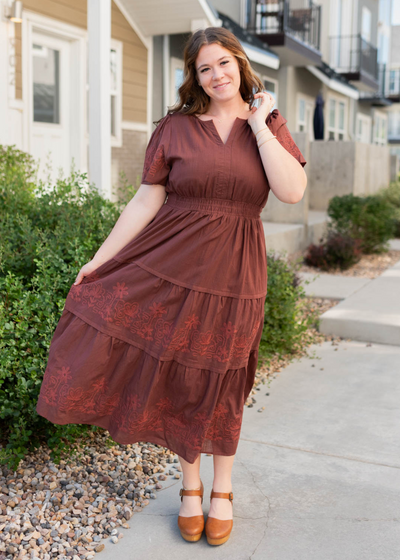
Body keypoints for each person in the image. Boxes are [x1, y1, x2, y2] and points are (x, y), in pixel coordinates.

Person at [36, 26, 307, 546]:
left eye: (224, 63)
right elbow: (145, 200)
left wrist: (259, 125)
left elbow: (291, 191)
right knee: (182, 375)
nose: (216, 75)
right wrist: (98, 260)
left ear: (240, 64)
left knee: (226, 376)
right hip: (172, 265)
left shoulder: (267, 122)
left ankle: (222, 489)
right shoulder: (175, 129)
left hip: (237, 273)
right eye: (204, 68)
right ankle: (190, 486)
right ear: (195, 76)